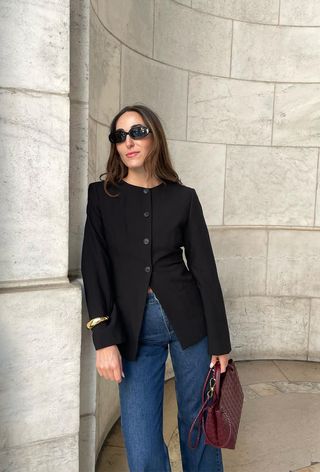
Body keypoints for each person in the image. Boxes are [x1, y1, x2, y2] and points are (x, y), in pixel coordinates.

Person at [81, 104, 232, 472]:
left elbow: (204, 271)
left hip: (188, 321)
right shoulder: (102, 196)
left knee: (197, 422)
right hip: (133, 327)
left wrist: (220, 344)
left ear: (154, 137)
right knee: (141, 440)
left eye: (137, 132)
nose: (128, 142)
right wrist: (103, 339)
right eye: (119, 136)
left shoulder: (183, 197)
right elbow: (94, 267)